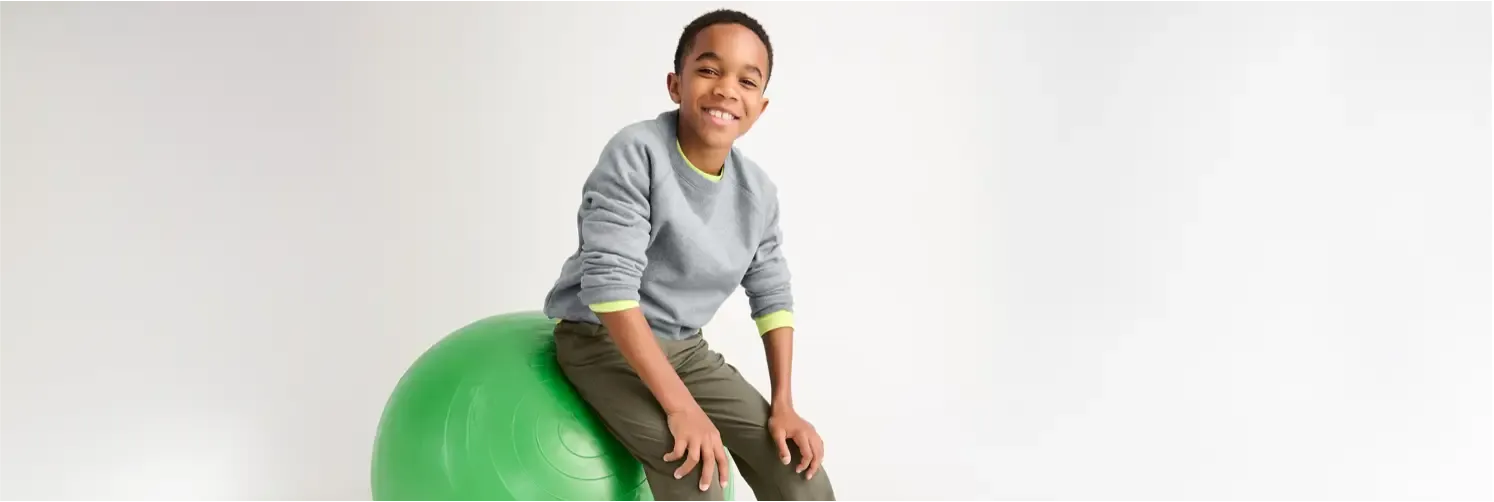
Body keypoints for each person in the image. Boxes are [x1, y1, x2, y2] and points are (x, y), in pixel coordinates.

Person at [541, 9, 837, 502]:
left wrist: (783, 403)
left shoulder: (758, 193)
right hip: (599, 340)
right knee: (696, 473)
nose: (726, 90)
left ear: (760, 107)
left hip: (685, 350)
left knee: (799, 474)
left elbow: (772, 294)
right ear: (675, 84)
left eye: (747, 81)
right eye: (709, 70)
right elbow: (610, 288)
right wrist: (681, 408)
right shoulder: (637, 152)